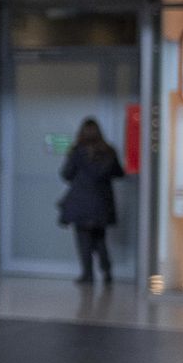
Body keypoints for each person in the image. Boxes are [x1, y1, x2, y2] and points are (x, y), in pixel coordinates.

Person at [58, 118, 126, 284]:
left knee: (83, 240)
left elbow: (66, 174)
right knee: (100, 239)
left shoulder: (77, 151)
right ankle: (107, 271)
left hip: (81, 203)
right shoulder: (109, 152)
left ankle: (87, 274)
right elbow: (119, 173)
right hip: (102, 203)